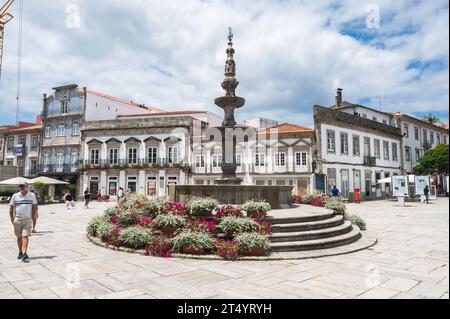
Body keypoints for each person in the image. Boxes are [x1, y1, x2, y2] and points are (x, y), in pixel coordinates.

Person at [9, 183, 38, 262]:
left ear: (27, 188)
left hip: (27, 219)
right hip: (17, 220)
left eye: (24, 188)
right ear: (20, 188)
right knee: (19, 237)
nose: (23, 190)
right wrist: (12, 219)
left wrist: (32, 217)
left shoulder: (32, 195)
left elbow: (35, 206)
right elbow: (11, 207)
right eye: (21, 188)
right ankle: (20, 252)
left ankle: (25, 253)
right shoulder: (15, 195)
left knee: (25, 236)